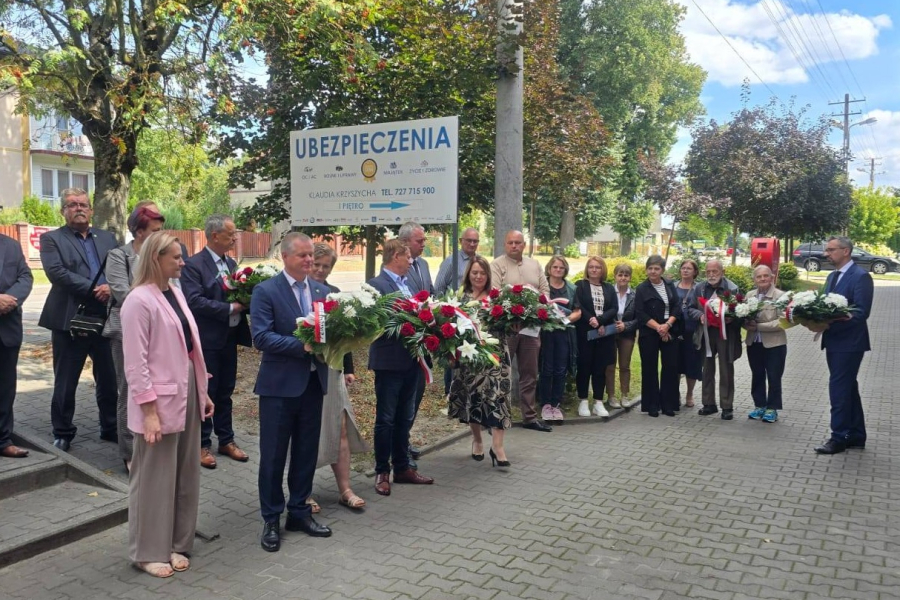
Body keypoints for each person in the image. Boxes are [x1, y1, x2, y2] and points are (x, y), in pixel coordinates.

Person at [120, 231, 214, 578]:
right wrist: (148, 412)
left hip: (186, 391)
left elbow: (189, 347)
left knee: (185, 474)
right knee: (154, 479)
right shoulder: (137, 301)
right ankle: (147, 551)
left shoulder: (174, 291)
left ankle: (177, 543)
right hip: (157, 402)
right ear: (155, 258)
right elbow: (135, 363)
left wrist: (203, 391)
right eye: (175, 257)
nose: (182, 262)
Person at [251, 233, 333, 552]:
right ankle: (271, 518)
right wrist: (302, 345)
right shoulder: (266, 291)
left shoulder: (322, 291)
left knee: (305, 452)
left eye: (311, 254)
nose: (309, 260)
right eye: (302, 255)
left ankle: (299, 512)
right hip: (279, 387)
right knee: (273, 455)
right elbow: (261, 337)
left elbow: (331, 332)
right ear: (285, 257)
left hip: (313, 384)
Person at [39, 188, 118, 451]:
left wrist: (112, 287)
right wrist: (95, 289)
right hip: (70, 318)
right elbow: (57, 273)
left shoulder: (107, 238)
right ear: (63, 211)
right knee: (66, 380)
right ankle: (63, 432)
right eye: (72, 205)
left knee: (109, 378)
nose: (78, 208)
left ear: (91, 210)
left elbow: (120, 269)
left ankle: (110, 427)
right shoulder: (52, 239)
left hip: (105, 317)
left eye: (83, 204)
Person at [181, 214, 252, 469]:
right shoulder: (194, 265)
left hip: (229, 338)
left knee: (225, 390)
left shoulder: (231, 263)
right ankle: (201, 443)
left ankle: (226, 439)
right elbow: (194, 301)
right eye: (231, 234)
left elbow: (240, 293)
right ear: (214, 235)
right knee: (206, 391)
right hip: (207, 339)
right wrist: (231, 308)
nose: (235, 238)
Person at [367, 239, 435, 496]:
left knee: (405, 417)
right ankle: (382, 471)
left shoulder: (410, 284)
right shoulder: (375, 285)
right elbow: (374, 324)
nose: (410, 261)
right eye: (407, 257)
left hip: (412, 360)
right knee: (386, 419)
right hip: (389, 361)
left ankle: (402, 467)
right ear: (395, 256)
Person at [307, 243, 369, 510]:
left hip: (333, 371)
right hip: (305, 371)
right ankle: (304, 491)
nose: (321, 270)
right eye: (317, 264)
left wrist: (349, 369)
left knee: (341, 427)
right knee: (308, 430)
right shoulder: (298, 294)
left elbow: (345, 337)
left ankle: (345, 489)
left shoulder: (334, 294)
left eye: (326, 266)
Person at [104, 204, 165, 472]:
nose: (160, 235)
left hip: (159, 333)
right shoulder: (119, 256)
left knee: (154, 388)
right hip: (126, 332)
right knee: (129, 390)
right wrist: (159, 309)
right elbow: (123, 294)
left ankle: (152, 445)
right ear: (139, 232)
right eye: (155, 230)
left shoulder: (160, 255)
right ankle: (129, 453)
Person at [448, 255, 512, 467]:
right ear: (469, 274)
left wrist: (516, 323)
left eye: (483, 273)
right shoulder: (461, 298)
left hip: (496, 357)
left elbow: (509, 326)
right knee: (473, 398)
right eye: (475, 272)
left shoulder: (496, 297)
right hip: (470, 358)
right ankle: (477, 440)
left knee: (499, 398)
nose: (478, 276)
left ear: (488, 275)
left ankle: (498, 447)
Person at [814, 236, 874, 455]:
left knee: (838, 389)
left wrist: (832, 320)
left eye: (831, 250)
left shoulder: (861, 276)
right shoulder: (832, 276)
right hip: (833, 341)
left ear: (846, 251)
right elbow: (823, 305)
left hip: (850, 343)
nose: (826, 254)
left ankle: (838, 437)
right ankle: (856, 435)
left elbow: (861, 312)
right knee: (848, 387)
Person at [490, 230, 552, 432]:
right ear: (505, 244)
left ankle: (529, 417)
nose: (514, 246)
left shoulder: (534, 264)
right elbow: (495, 293)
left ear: (524, 245)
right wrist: (512, 318)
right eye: (510, 242)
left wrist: (533, 314)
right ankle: (498, 416)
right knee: (502, 373)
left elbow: (545, 291)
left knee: (530, 374)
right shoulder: (496, 265)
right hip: (507, 329)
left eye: (518, 242)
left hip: (531, 329)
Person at [398, 222, 433, 466]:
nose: (423, 244)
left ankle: (404, 439)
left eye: (423, 240)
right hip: (405, 342)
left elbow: (430, 293)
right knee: (403, 398)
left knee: (417, 393)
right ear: (405, 242)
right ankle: (398, 445)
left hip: (425, 341)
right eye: (419, 241)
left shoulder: (425, 265)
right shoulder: (396, 268)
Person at [693, 259, 742, 420]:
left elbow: (740, 310)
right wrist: (700, 315)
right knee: (707, 368)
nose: (711, 275)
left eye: (715, 271)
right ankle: (708, 403)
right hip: (706, 333)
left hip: (725, 333)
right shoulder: (699, 288)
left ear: (722, 272)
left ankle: (727, 406)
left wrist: (731, 318)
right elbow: (690, 308)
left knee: (726, 368)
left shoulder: (732, 288)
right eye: (708, 272)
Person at [634, 255, 682, 417]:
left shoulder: (669, 284)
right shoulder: (642, 288)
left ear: (662, 270)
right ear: (646, 269)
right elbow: (640, 313)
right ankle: (652, 405)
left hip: (669, 329)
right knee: (649, 368)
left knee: (670, 367)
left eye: (657, 268)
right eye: (650, 268)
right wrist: (659, 328)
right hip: (649, 331)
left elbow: (677, 306)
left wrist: (667, 325)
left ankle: (668, 404)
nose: (653, 271)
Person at [0, 232, 34, 458]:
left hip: (7, 328)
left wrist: (9, 300)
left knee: (5, 388)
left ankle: (3, 440)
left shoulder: (11, 245)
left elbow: (25, 277)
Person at [573, 256, 617, 418]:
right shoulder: (580, 285)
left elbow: (614, 308)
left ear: (602, 269)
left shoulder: (609, 288)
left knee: (600, 368)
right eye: (591, 266)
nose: (594, 269)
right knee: (584, 366)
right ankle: (583, 400)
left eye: (597, 267)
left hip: (603, 334)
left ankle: (598, 402)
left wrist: (601, 321)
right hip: (585, 332)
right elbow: (578, 306)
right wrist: (592, 319)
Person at [742, 265, 787, 423]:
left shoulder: (780, 296)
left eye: (765, 276)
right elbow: (742, 315)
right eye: (759, 276)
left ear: (772, 277)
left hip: (775, 344)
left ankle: (772, 408)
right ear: (754, 279)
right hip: (754, 343)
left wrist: (759, 327)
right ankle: (759, 405)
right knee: (757, 374)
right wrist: (745, 324)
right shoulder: (749, 295)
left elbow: (784, 321)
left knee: (774, 376)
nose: (762, 279)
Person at [539, 256, 579, 424]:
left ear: (565, 270)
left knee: (561, 369)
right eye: (555, 267)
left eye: (561, 268)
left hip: (564, 333)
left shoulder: (572, 288)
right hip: (546, 333)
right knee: (546, 369)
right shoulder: (542, 286)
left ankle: (556, 404)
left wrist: (565, 320)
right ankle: (545, 404)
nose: (558, 270)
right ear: (549, 269)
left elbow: (577, 311)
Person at [605, 263, 639, 409]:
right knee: (610, 365)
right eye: (620, 275)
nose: (623, 278)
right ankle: (611, 396)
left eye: (626, 275)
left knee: (624, 366)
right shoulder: (608, 292)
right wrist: (612, 323)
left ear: (630, 277)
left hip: (627, 335)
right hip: (610, 333)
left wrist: (626, 325)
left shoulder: (635, 295)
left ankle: (625, 395)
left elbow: (640, 318)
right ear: (615, 276)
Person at [675, 260, 703, 408]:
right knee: (675, 363)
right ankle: (676, 393)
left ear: (695, 272)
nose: (685, 270)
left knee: (692, 364)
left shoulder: (699, 288)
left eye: (689, 268)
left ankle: (690, 394)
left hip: (693, 331)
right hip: (675, 331)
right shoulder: (673, 286)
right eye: (683, 268)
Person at [434, 227, 480, 295]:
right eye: (469, 240)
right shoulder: (451, 261)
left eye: (475, 241)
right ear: (460, 241)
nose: (472, 244)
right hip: (456, 301)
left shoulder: (480, 261)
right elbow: (438, 288)